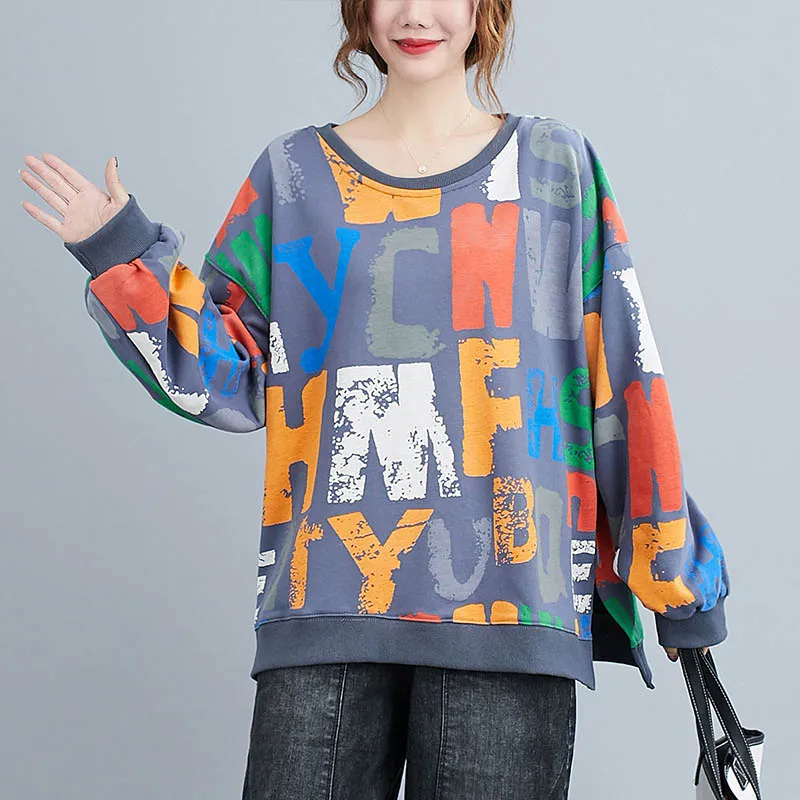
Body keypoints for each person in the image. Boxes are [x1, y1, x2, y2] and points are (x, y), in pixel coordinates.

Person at [19, 1, 729, 797]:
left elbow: (621, 382)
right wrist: (119, 250)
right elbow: (232, 378)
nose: (416, 14)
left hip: (511, 613)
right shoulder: (292, 174)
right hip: (324, 609)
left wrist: (679, 582)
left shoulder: (555, 166)